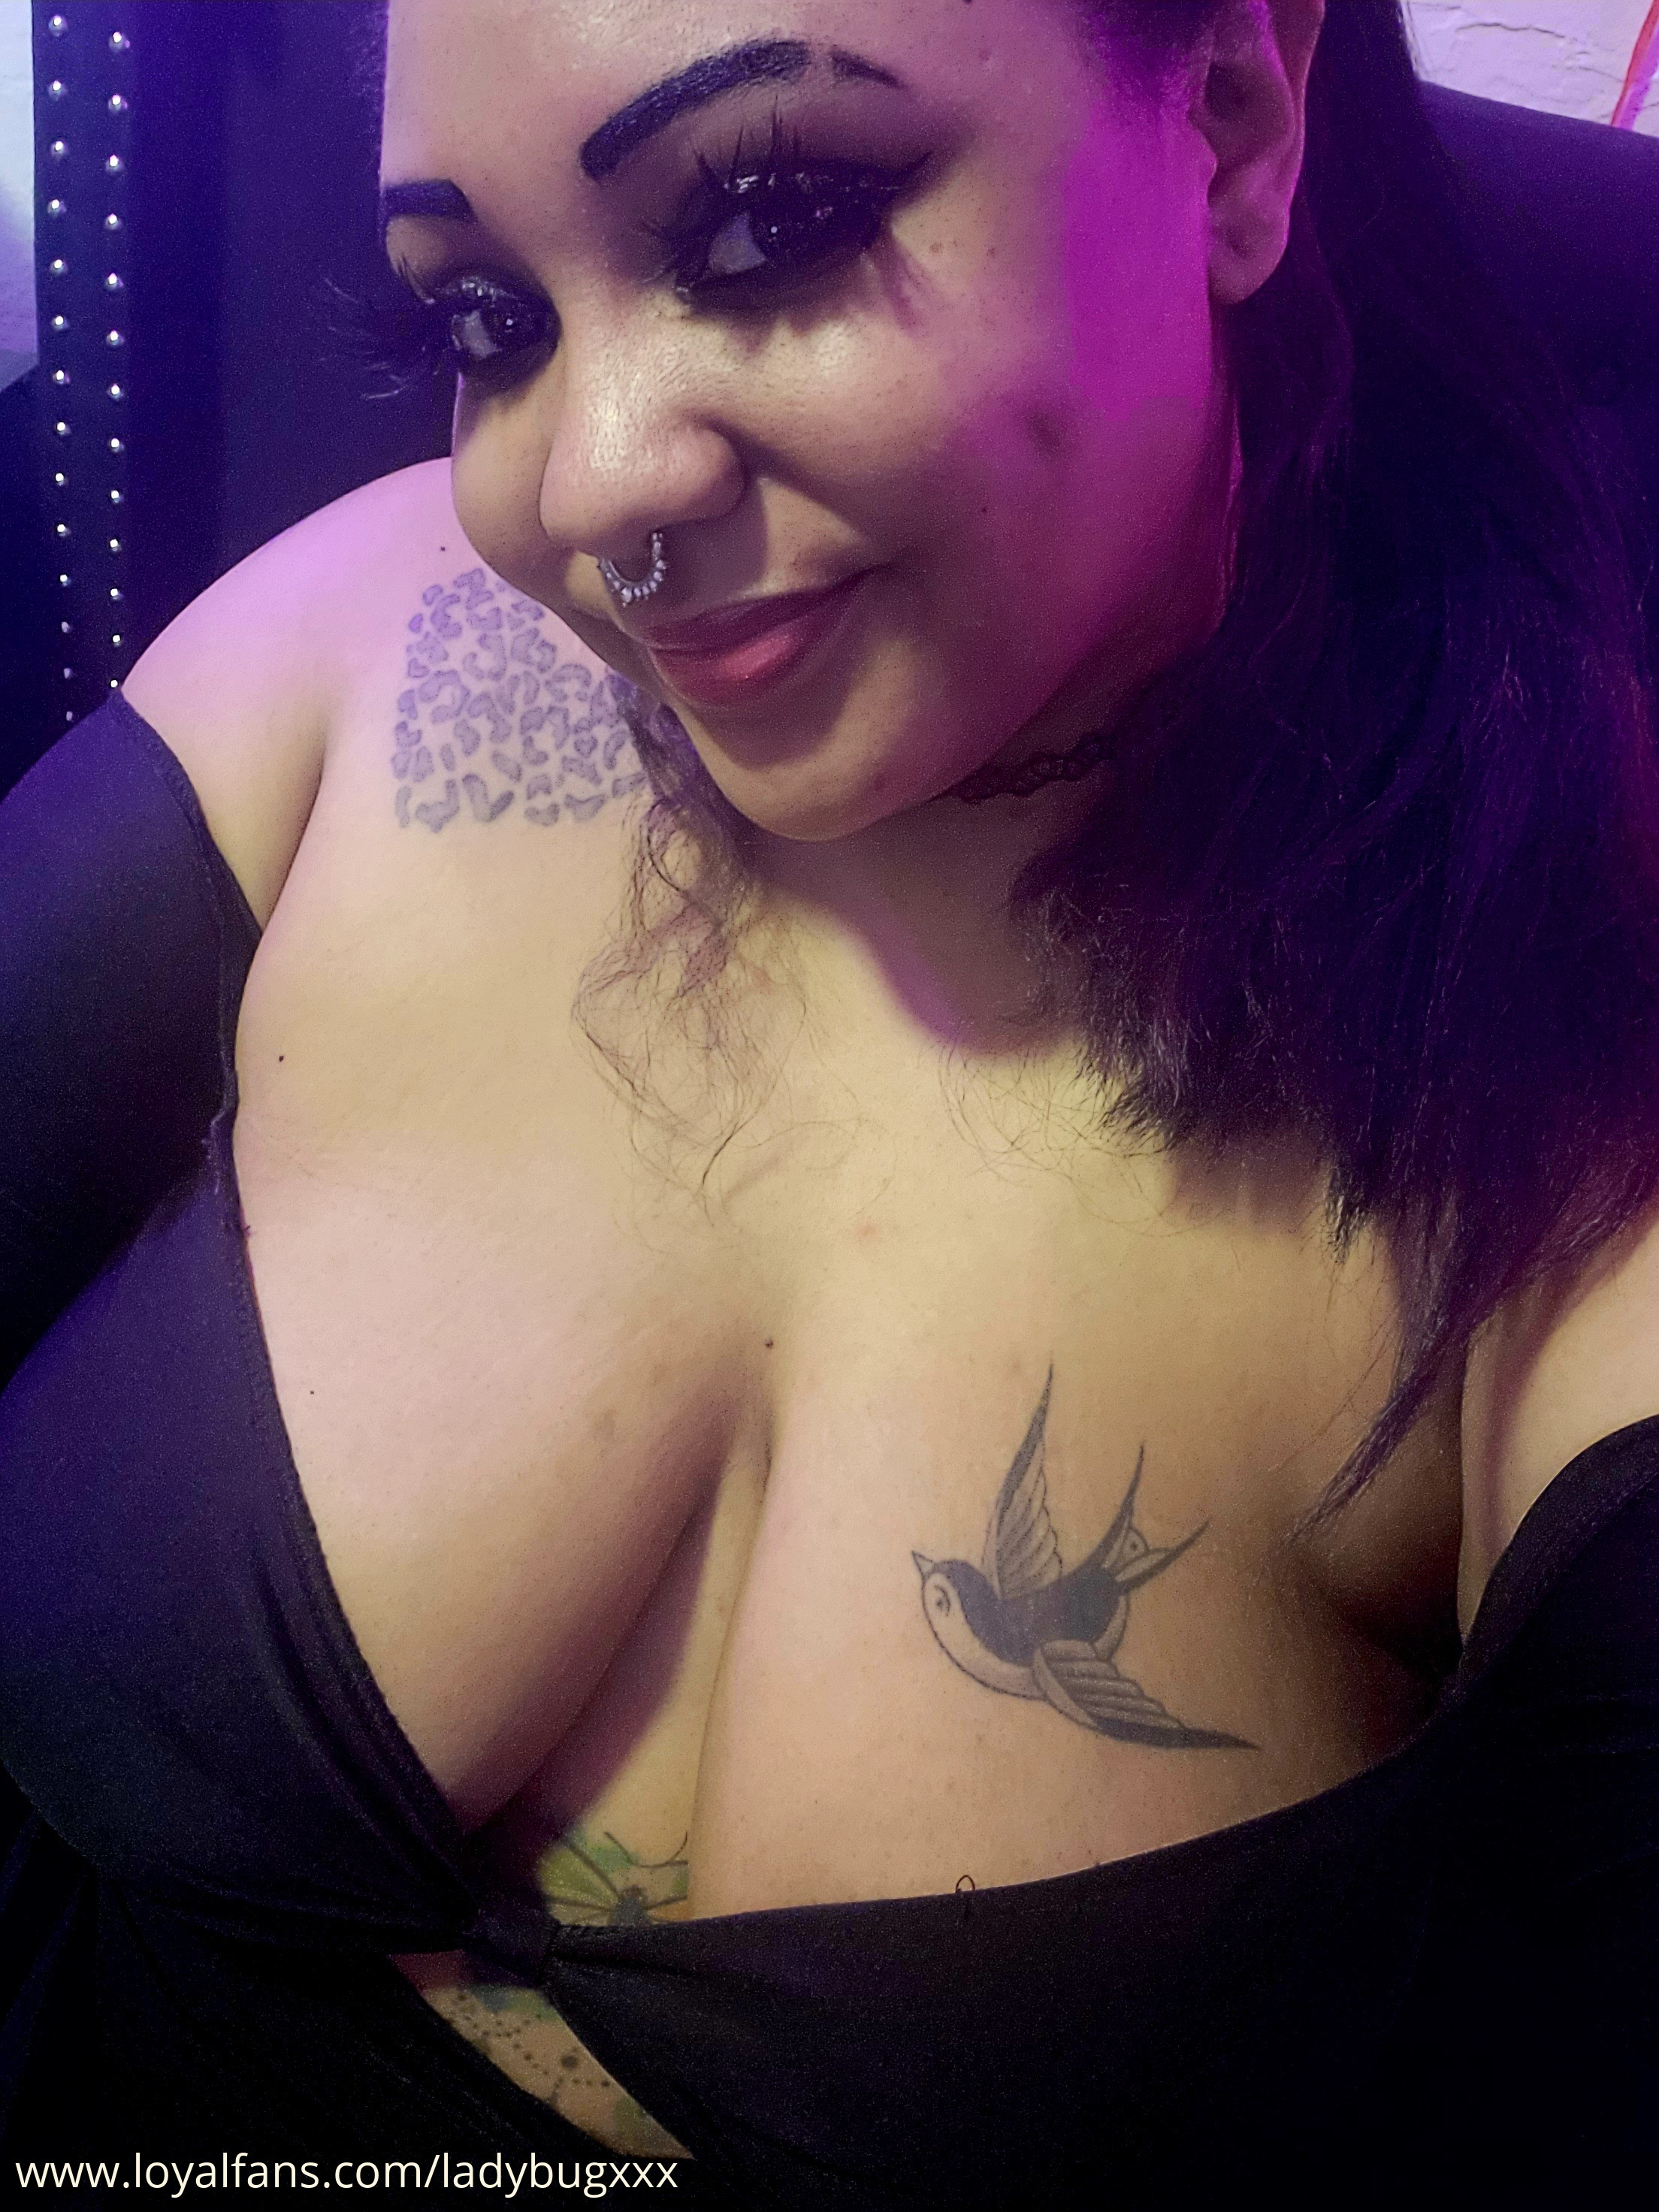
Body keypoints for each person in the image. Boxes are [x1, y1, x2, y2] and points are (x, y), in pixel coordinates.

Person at [2, 0, 1657, 2199]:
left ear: (1239, 123)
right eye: (485, 318)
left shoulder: (1563, 1073)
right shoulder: (381, 644)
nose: (588, 491)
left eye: (769, 222)